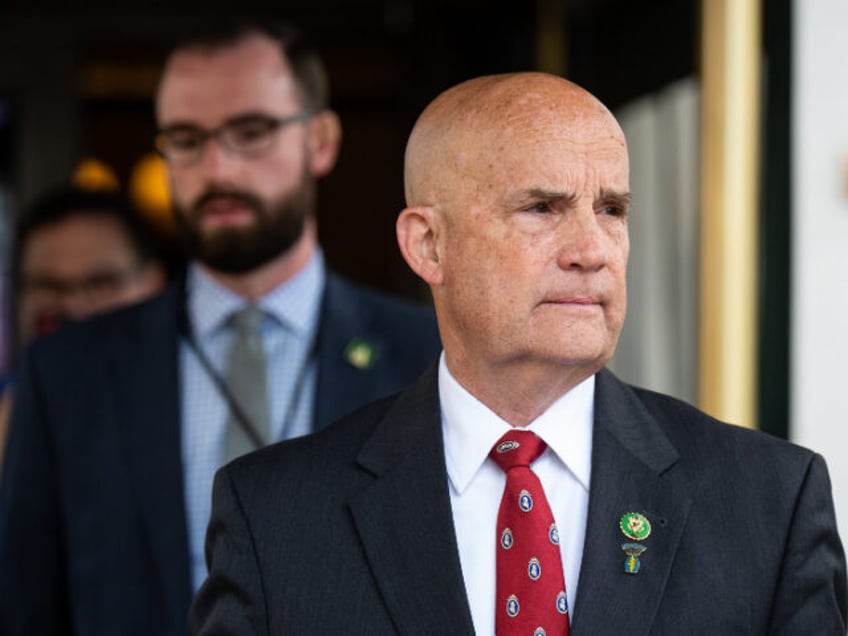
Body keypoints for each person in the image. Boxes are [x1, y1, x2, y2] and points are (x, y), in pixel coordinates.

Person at [188, 72, 847, 634]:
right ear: (428, 246)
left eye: (612, 210)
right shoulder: (274, 515)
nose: (592, 250)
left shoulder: (771, 503)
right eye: (541, 207)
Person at [0, 21, 440, 636]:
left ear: (321, 140)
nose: (216, 167)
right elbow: (25, 606)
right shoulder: (69, 372)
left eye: (251, 132)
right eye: (185, 138)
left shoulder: (429, 354)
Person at [0, 185, 168, 468]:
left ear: (154, 283)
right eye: (48, 286)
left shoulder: (188, 402)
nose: (73, 308)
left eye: (100, 284)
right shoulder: (8, 413)